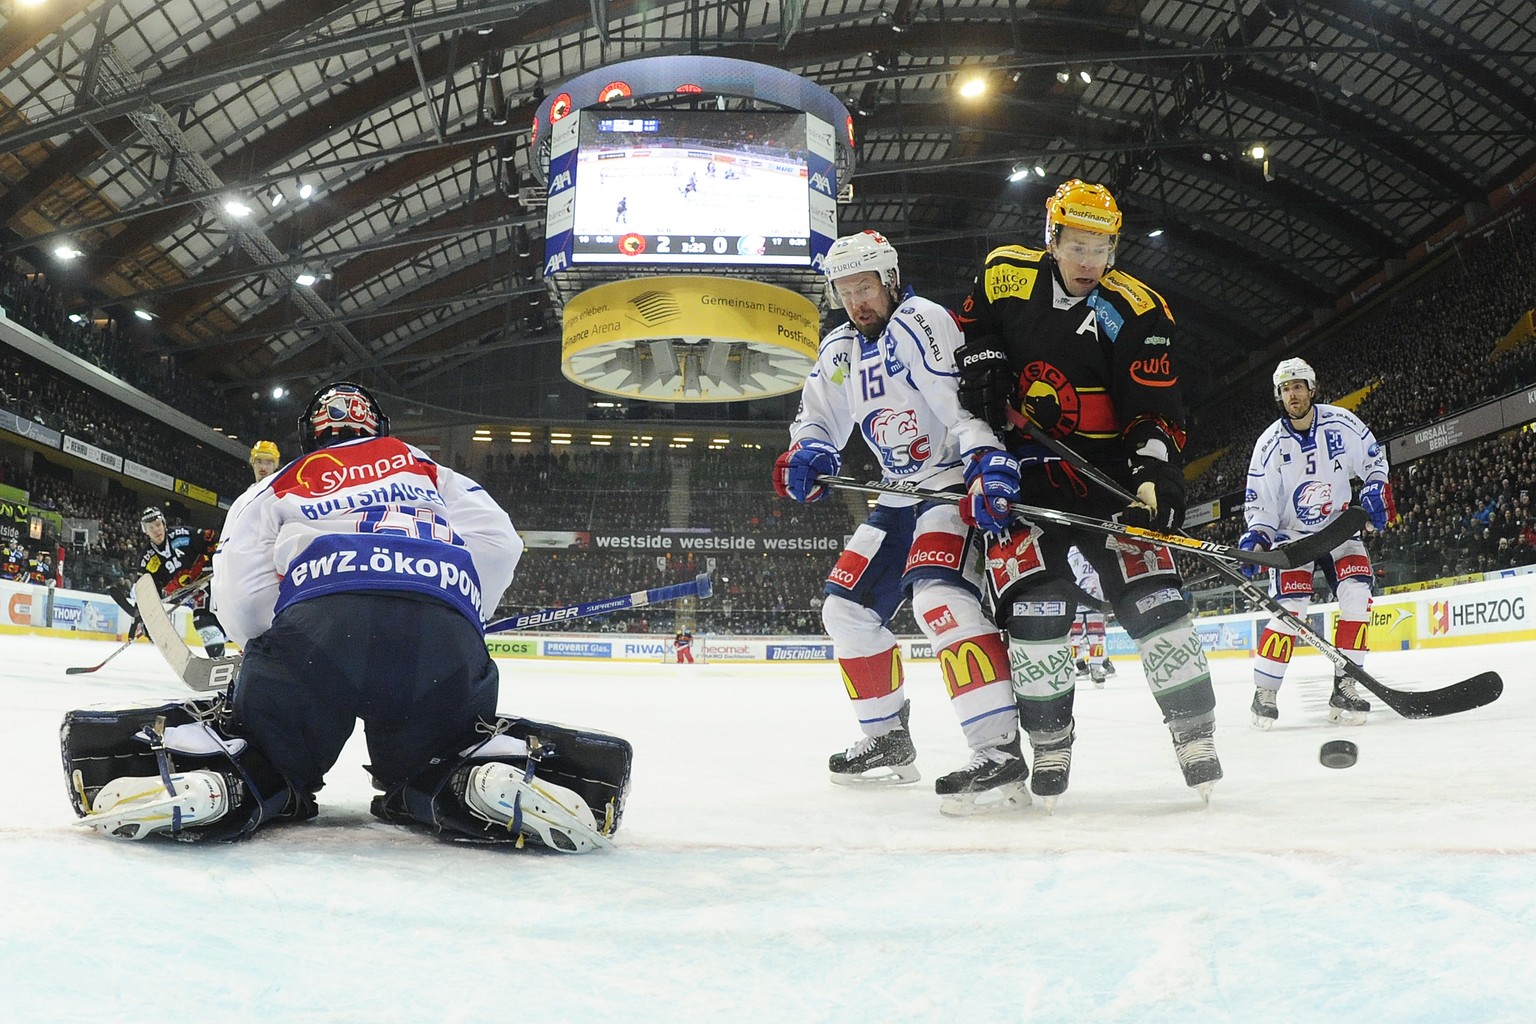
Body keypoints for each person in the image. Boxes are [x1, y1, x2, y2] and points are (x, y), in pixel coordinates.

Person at [68, 381, 630, 852]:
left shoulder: (278, 482)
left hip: (318, 631)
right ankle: (470, 780)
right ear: (380, 430)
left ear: (314, 434)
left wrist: (269, 647)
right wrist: (458, 608)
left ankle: (226, 780)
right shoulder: (430, 470)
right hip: (442, 640)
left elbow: (239, 592)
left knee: (271, 755)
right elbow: (500, 542)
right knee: (431, 759)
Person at [954, 178, 1223, 803]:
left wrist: (1155, 473)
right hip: (1024, 478)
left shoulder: (1137, 310)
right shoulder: (1004, 275)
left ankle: (1195, 735)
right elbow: (973, 332)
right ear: (1052, 240)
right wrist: (985, 361)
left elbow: (1154, 409)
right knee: (1035, 608)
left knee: (1157, 602)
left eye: (1101, 248)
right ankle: (1050, 745)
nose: (1089, 262)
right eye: (1077, 245)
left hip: (1109, 484)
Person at [774, 229, 1026, 816]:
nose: (856, 301)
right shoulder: (839, 348)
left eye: (865, 287)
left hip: (944, 489)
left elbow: (960, 403)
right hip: (895, 498)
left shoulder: (921, 321)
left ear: (888, 280)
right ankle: (888, 738)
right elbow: (816, 417)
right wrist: (809, 450)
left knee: (938, 601)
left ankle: (998, 753)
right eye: (845, 291)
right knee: (844, 609)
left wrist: (988, 458)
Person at [1239, 357, 1393, 728]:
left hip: (1339, 529)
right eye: (1286, 389)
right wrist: (1258, 536)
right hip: (1294, 538)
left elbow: (1375, 461)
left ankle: (1347, 684)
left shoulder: (1342, 423)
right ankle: (1265, 692)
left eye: (1299, 386)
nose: (1293, 394)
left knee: (1357, 593)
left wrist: (1375, 486)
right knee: (1292, 609)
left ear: (1312, 388)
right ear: (1280, 395)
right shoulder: (1268, 445)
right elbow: (1260, 502)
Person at [139, 506, 228, 657]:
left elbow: (213, 538)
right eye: (150, 527)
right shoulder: (146, 559)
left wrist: (213, 560)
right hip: (192, 595)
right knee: (204, 622)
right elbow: (148, 592)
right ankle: (220, 662)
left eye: (158, 524)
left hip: (211, 583)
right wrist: (146, 619)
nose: (156, 530)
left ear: (164, 524)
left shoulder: (182, 534)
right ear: (145, 531)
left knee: (214, 620)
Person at [1066, 546, 1115, 687]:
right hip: (1077, 603)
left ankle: (1096, 669)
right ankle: (1072, 669)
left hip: (1097, 603)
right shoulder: (1070, 550)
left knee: (1097, 639)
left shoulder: (1096, 547)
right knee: (1073, 640)